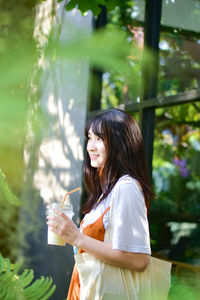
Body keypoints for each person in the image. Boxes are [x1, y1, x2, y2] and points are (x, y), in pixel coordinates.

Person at [47, 108, 153, 300]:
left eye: (99, 138)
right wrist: (69, 235)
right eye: (90, 137)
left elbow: (139, 260)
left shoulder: (126, 187)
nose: (90, 147)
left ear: (121, 143)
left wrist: (77, 237)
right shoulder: (106, 193)